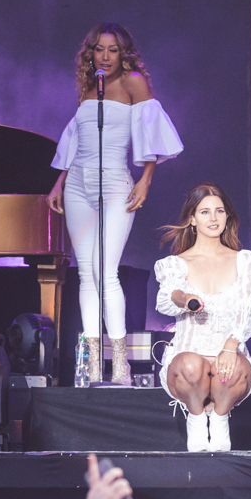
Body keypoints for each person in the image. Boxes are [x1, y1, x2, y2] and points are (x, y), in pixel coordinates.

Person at [47, 23, 183, 386]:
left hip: (116, 185)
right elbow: (77, 139)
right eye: (99, 49)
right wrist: (59, 182)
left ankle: (119, 361)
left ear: (124, 53)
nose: (105, 56)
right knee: (85, 272)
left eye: (113, 50)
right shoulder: (89, 87)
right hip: (77, 184)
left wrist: (146, 179)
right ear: (90, 53)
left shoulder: (133, 82)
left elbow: (153, 132)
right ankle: (92, 362)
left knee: (107, 272)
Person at [154, 183, 251, 452]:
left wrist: (230, 347)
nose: (213, 218)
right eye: (204, 212)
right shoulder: (175, 264)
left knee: (233, 368)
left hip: (228, 355)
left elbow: (247, 309)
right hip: (188, 362)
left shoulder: (244, 260)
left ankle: (221, 419)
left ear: (227, 217)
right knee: (191, 365)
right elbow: (167, 299)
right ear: (192, 218)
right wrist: (185, 299)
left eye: (219, 211)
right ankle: (197, 419)